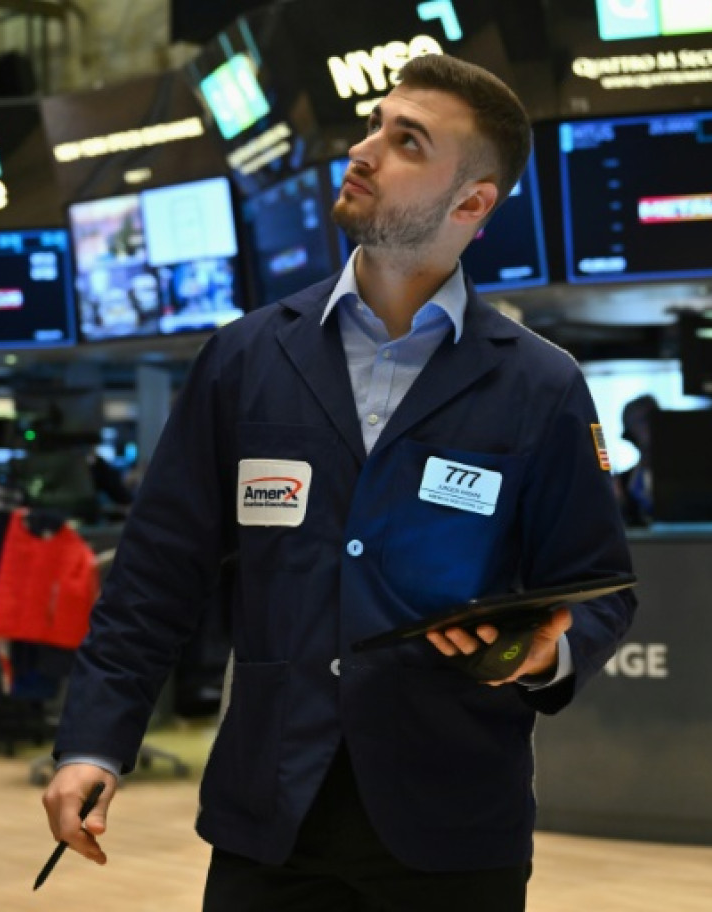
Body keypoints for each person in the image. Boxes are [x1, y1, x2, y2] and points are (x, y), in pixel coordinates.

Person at [41, 54, 636, 912]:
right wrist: (93, 742)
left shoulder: (539, 387)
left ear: (472, 203)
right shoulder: (245, 358)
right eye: (373, 125)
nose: (363, 150)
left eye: (406, 141)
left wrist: (549, 651)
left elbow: (601, 588)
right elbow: (153, 578)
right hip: (270, 815)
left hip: (454, 824)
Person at [616, 394, 661, 527]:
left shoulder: (684, 475)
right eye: (636, 423)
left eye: (646, 420)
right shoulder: (622, 482)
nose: (645, 429)